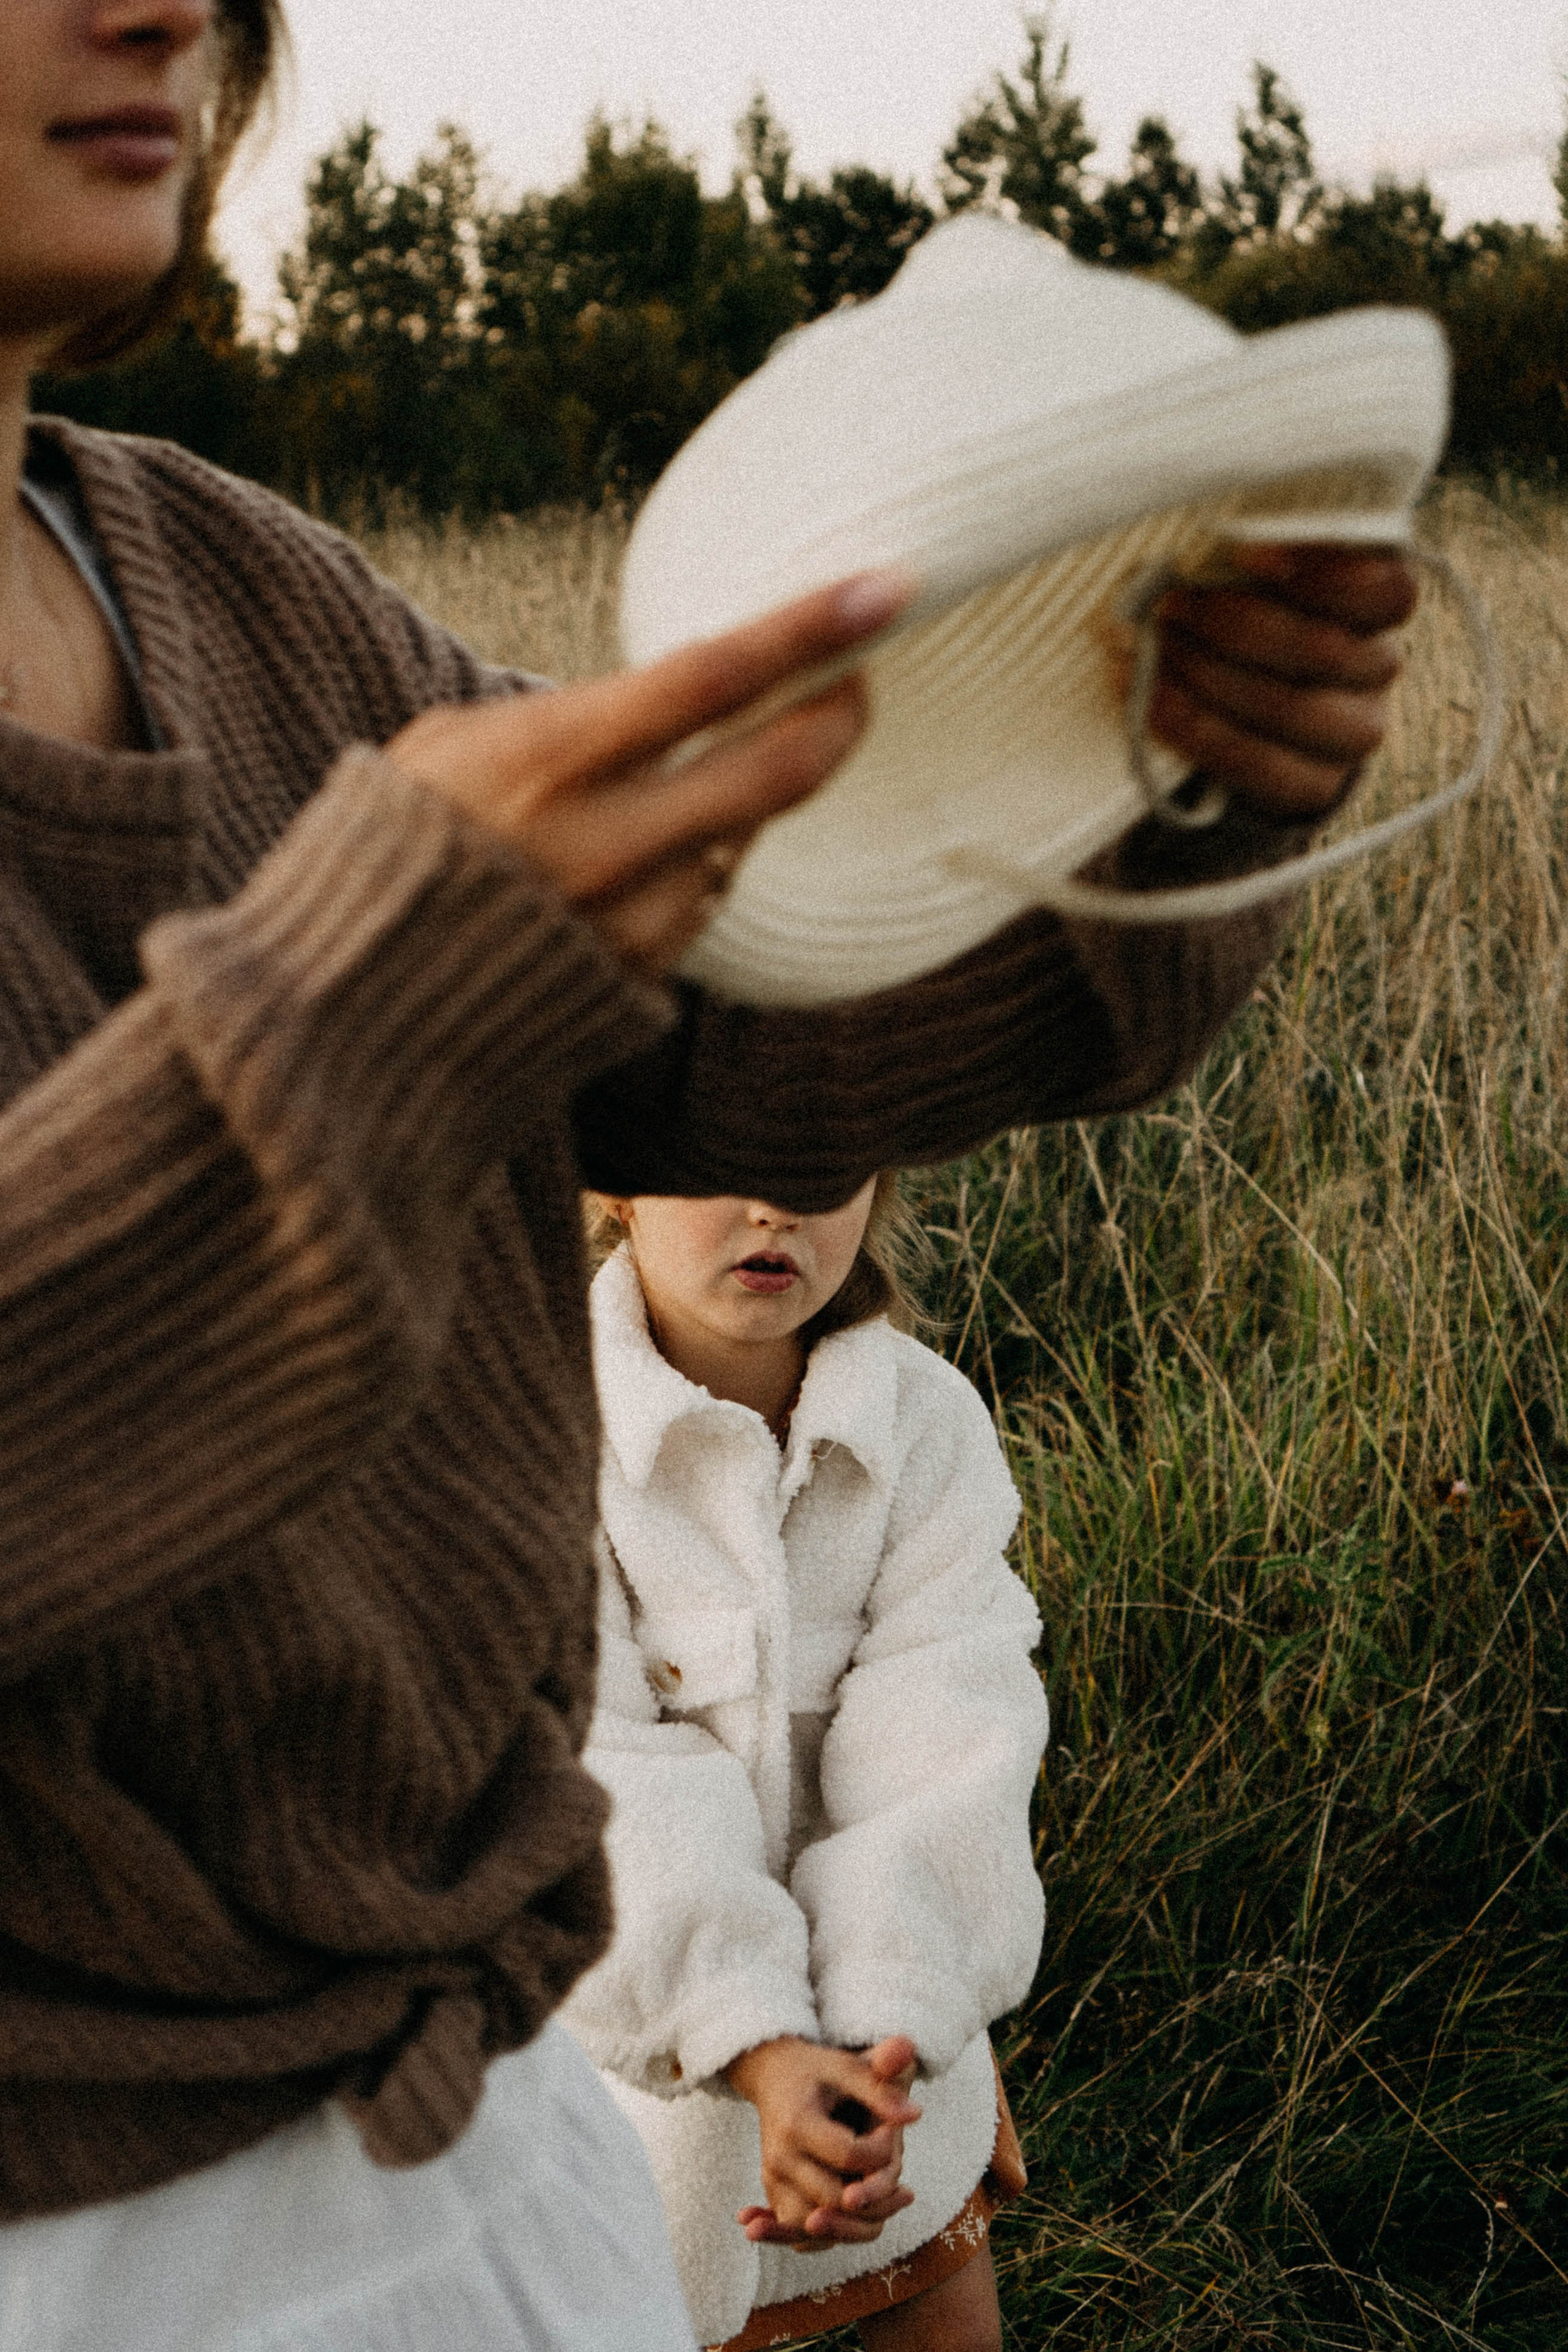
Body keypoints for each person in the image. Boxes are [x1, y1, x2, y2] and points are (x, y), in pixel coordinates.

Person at [0, 3, 1415, 2348]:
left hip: (492, 2127)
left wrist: (1150, 796)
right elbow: (389, 1019)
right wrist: (363, 1019)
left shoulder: (228, 586)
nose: (163, 5)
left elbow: (739, 1040)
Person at [564, 1175, 1045, 2352]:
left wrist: (879, 2039)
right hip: (642, 2049)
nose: (775, 1205)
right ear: (615, 1179)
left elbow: (947, 1735)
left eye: (824, 1162)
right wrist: (753, 2038)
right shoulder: (542, 1434)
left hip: (892, 2059)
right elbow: (595, 1768)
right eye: (719, 1160)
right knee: (636, 2305)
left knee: (939, 2312)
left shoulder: (926, 1426)